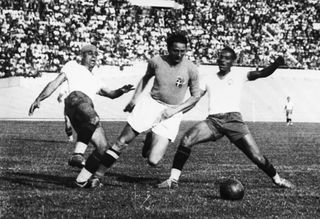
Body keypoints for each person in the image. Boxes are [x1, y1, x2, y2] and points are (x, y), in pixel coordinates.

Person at [74, 32, 201, 187]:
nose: (179, 54)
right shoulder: (156, 61)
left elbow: (195, 96)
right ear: (168, 48)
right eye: (176, 50)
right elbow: (146, 78)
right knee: (121, 142)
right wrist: (135, 99)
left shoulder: (191, 69)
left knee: (153, 160)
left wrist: (175, 111)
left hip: (172, 112)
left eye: (183, 51)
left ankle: (149, 138)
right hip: (151, 105)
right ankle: (97, 176)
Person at [157, 46, 295, 189]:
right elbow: (195, 98)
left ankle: (278, 179)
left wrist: (277, 63)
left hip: (234, 121)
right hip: (213, 121)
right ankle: (173, 180)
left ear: (233, 62)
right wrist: (176, 111)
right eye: (221, 57)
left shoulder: (240, 75)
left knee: (257, 157)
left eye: (227, 58)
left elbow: (262, 73)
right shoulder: (208, 79)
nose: (223, 60)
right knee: (187, 139)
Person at [28, 44, 134, 185]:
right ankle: (77, 155)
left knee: (103, 147)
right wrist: (39, 99)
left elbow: (111, 94)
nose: (94, 56)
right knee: (93, 117)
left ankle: (81, 180)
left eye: (96, 54)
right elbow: (55, 83)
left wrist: (121, 90)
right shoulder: (73, 66)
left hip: (85, 111)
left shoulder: (96, 79)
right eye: (90, 53)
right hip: (75, 99)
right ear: (82, 55)